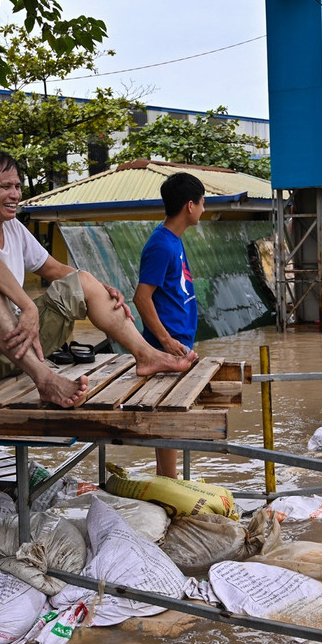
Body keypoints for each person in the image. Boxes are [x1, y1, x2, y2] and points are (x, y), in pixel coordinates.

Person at [0, 147, 196, 406]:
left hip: (15, 352)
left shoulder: (14, 227)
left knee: (82, 281)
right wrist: (27, 306)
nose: (15, 194)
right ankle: (45, 380)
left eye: (17, 186)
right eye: (5, 187)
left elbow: (54, 270)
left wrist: (99, 288)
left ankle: (147, 355)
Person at [133, 172, 205, 478]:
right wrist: (164, 341)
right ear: (190, 205)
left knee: (170, 415)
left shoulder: (173, 240)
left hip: (179, 339)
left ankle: (169, 479)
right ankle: (168, 480)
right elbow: (141, 297)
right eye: (202, 203)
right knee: (167, 416)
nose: (204, 209)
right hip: (168, 344)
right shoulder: (161, 245)